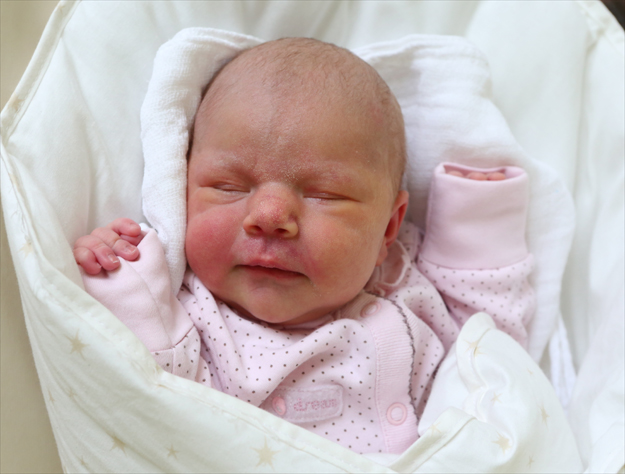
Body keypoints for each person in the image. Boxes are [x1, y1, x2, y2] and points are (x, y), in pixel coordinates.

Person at [74, 38, 534, 454]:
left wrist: (476, 227)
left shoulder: (403, 282)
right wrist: (126, 284)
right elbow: (156, 402)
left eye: (324, 195)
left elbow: (493, 353)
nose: (270, 216)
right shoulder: (195, 321)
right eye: (229, 186)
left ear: (388, 228)